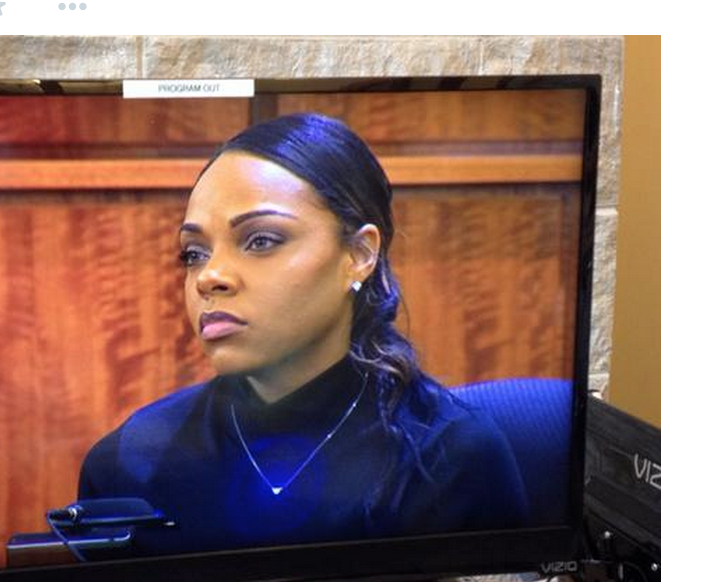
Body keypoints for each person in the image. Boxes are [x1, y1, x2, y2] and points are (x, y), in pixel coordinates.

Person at [79, 113, 529, 552]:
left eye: (261, 240)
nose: (209, 277)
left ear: (358, 254)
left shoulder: (451, 457)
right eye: (194, 253)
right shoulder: (127, 465)